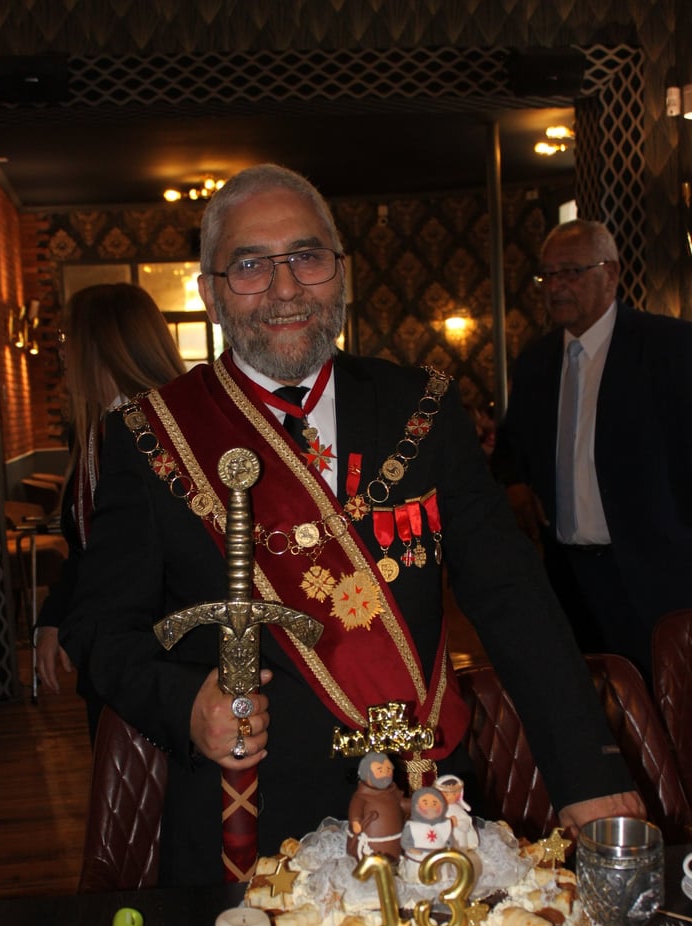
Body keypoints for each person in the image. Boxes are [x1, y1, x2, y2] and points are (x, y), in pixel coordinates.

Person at [60, 165, 643, 886]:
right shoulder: (154, 435)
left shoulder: (423, 407)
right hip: (248, 820)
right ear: (210, 292)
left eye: (307, 257)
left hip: (428, 809)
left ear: (341, 272)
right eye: (250, 265)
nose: (284, 288)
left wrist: (587, 774)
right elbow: (98, 628)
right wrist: (186, 705)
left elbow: (512, 594)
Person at [495, 219, 692, 682]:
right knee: (591, 703)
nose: (555, 287)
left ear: (611, 274)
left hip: (656, 573)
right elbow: (510, 447)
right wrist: (517, 484)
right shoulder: (536, 362)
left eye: (571, 272)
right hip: (570, 580)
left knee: (669, 704)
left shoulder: (669, 347)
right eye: (547, 275)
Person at [35, 282, 185, 738]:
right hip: (111, 660)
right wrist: (54, 618)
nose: (62, 354)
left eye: (67, 339)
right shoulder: (95, 431)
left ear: (105, 345)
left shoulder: (164, 435)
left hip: (161, 666)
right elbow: (89, 548)